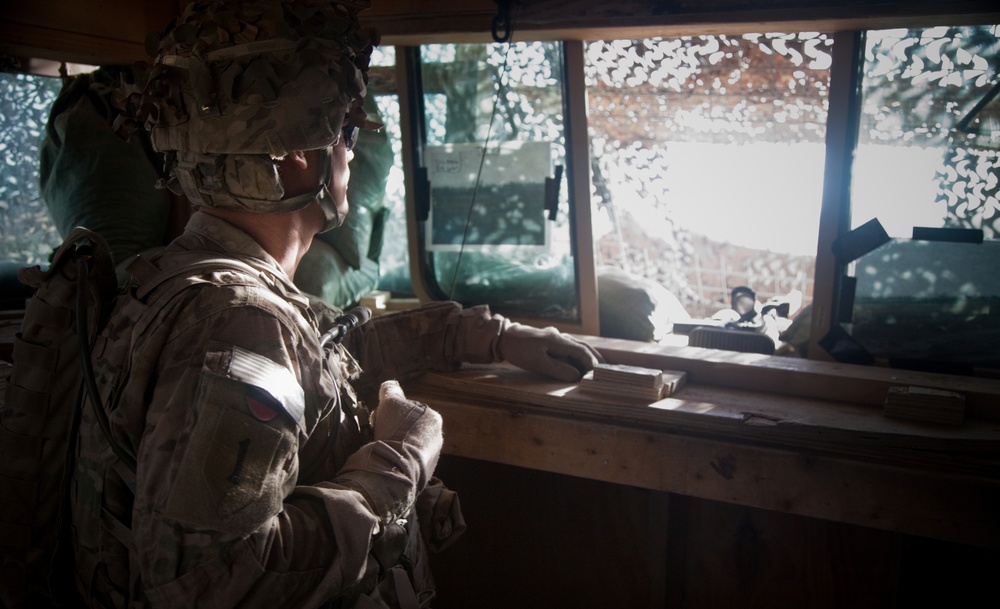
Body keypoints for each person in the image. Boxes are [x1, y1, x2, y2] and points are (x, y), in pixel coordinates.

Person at [70, 1, 601, 608]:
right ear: (298, 154)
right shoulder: (239, 320)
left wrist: (484, 336)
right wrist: (402, 459)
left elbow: (326, 350)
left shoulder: (175, 279)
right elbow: (214, 584)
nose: (350, 153)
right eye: (346, 132)